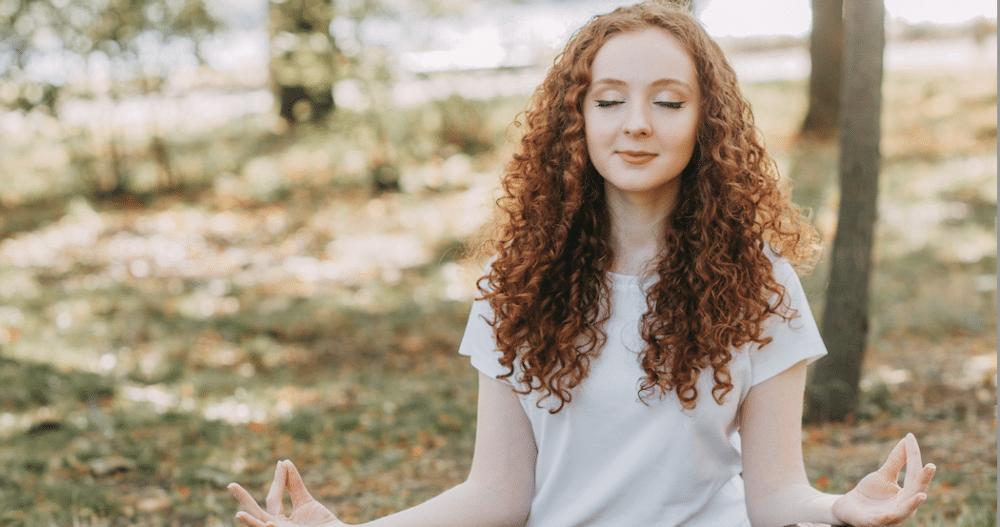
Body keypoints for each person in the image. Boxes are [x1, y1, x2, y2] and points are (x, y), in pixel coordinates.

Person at [228, 3, 936, 526]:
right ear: (578, 120)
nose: (636, 123)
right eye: (608, 100)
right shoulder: (518, 283)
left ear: (706, 121)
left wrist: (839, 510)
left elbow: (777, 494)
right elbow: (497, 494)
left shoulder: (762, 282)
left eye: (667, 101)